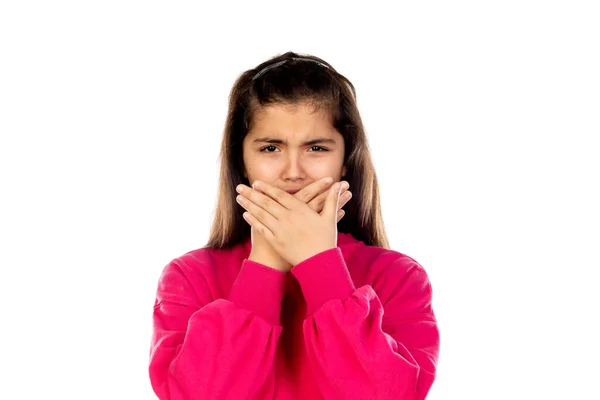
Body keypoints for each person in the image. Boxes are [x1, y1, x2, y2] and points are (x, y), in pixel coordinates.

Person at [149, 51, 440, 399]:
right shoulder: (190, 276)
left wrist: (320, 263)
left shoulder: (398, 276)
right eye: (271, 148)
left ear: (345, 161)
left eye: (316, 147)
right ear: (242, 161)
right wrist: (266, 262)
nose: (293, 172)